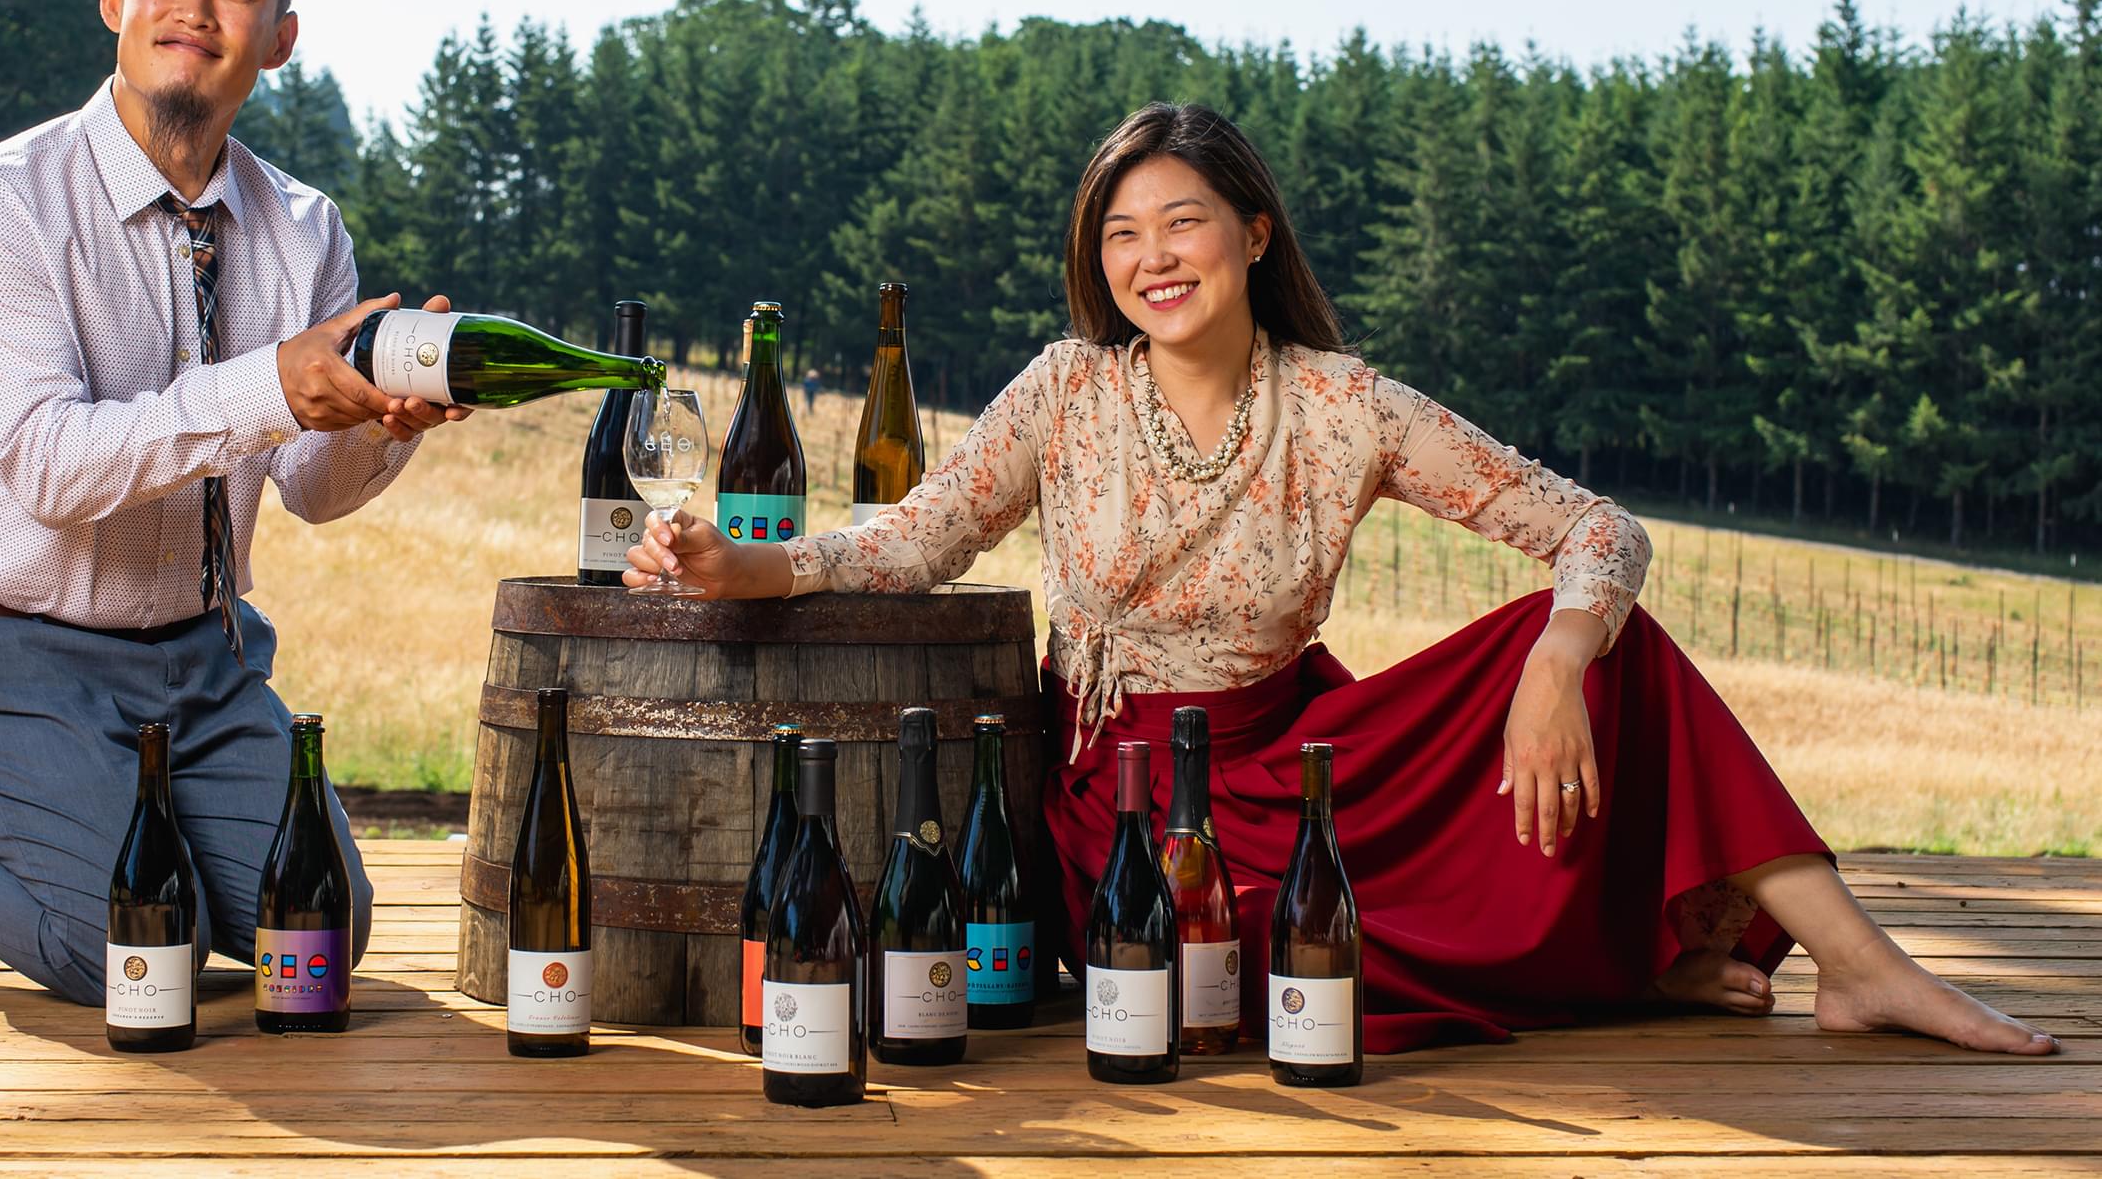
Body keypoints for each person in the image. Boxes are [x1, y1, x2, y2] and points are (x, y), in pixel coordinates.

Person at [628, 102, 2058, 1056]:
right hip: (1131, 802)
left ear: (1253, 233)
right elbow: (910, 542)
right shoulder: (1062, 391)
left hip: (1310, 756)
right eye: (1121, 235)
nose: (1150, 258)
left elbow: (1596, 528)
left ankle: (1864, 967)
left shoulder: (1347, 403)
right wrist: (731, 564)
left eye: (1181, 222)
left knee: (1620, 652)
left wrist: (1557, 659)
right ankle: (1638, 958)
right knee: (1285, 987)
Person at [0, 0, 467, 1005]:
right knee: (129, 955)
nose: (194, 7)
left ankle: (139, 863)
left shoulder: (306, 229)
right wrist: (271, 382)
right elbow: (52, 467)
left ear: (278, 40)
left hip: (203, 664)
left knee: (317, 928)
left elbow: (312, 488)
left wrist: (385, 421)